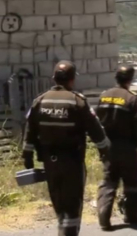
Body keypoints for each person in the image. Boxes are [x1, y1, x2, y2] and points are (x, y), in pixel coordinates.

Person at [22, 60, 111, 236]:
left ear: (54, 78)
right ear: (71, 80)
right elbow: (97, 131)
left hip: (50, 163)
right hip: (72, 163)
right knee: (72, 207)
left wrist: (27, 157)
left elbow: (30, 131)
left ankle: (63, 229)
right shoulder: (77, 102)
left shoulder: (39, 101)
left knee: (59, 204)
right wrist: (106, 152)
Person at [95, 65, 137, 231]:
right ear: (130, 79)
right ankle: (131, 216)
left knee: (109, 181)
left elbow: (96, 119)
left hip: (108, 146)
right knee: (133, 183)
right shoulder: (132, 99)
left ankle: (104, 218)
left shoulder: (104, 96)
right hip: (127, 146)